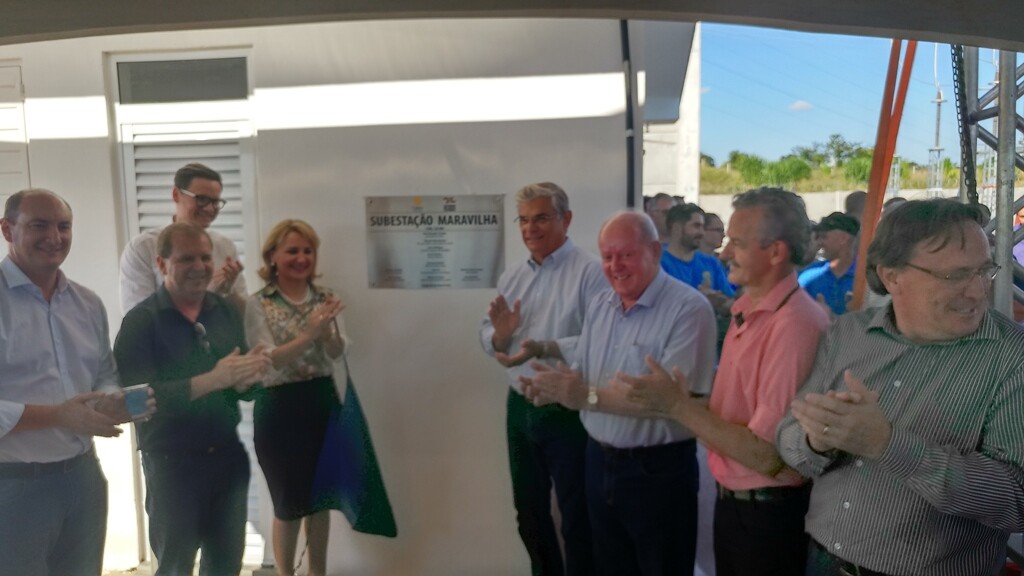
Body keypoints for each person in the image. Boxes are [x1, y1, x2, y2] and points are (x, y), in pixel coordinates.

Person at [777, 199, 1024, 576]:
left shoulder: (1013, 358)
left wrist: (887, 444)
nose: (977, 292)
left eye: (983, 270)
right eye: (955, 275)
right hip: (823, 560)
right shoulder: (849, 333)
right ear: (892, 277)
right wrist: (817, 441)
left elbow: (1016, 501)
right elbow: (788, 439)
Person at [620, 188, 830, 576]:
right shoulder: (750, 308)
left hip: (767, 515)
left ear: (776, 252)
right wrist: (681, 400)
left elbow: (767, 456)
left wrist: (677, 406)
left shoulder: (794, 324)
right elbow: (736, 414)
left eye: (738, 242)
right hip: (740, 508)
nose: (724, 252)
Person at [521, 211, 716, 576]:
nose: (615, 266)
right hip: (598, 461)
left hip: (658, 471)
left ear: (654, 251)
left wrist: (585, 397)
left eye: (626, 254)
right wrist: (555, 387)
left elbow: (671, 403)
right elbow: (587, 366)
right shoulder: (601, 303)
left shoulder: (689, 309)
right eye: (607, 256)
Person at [0, 189, 149, 576]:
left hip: (83, 479)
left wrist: (113, 401)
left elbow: (103, 373)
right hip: (12, 486)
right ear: (7, 230)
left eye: (64, 226)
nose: (55, 237)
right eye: (39, 225)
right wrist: (59, 416)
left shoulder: (87, 302)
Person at [114, 222, 271, 576]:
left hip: (227, 459)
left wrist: (249, 378)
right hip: (172, 467)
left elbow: (242, 385)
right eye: (187, 258)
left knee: (225, 566)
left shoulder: (224, 311)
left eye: (205, 257)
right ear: (161, 263)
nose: (200, 266)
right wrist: (213, 379)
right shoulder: (140, 322)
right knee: (176, 567)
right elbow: (131, 404)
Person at [479, 182, 606, 576]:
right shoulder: (512, 276)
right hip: (519, 406)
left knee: (577, 514)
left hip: (567, 408)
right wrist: (499, 337)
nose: (530, 228)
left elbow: (601, 342)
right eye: (524, 220)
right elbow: (488, 335)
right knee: (528, 512)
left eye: (541, 219)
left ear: (566, 219)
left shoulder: (591, 273)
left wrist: (546, 347)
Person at [244, 219, 347, 576]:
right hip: (279, 407)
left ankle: (318, 572)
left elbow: (336, 353)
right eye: (292, 251)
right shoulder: (258, 303)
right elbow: (268, 360)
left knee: (320, 500)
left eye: (308, 251)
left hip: (322, 401)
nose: (302, 258)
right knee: (287, 504)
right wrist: (309, 334)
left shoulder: (325, 298)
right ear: (272, 256)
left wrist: (328, 334)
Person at [120, 162, 246, 313]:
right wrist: (208, 293)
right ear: (176, 194)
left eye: (215, 202)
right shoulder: (143, 248)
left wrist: (229, 291)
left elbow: (244, 315)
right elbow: (137, 316)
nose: (209, 208)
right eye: (201, 199)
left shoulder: (225, 246)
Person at [798, 212, 858, 315]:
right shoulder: (809, 275)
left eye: (824, 237)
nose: (819, 243)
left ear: (843, 238)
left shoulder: (865, 278)